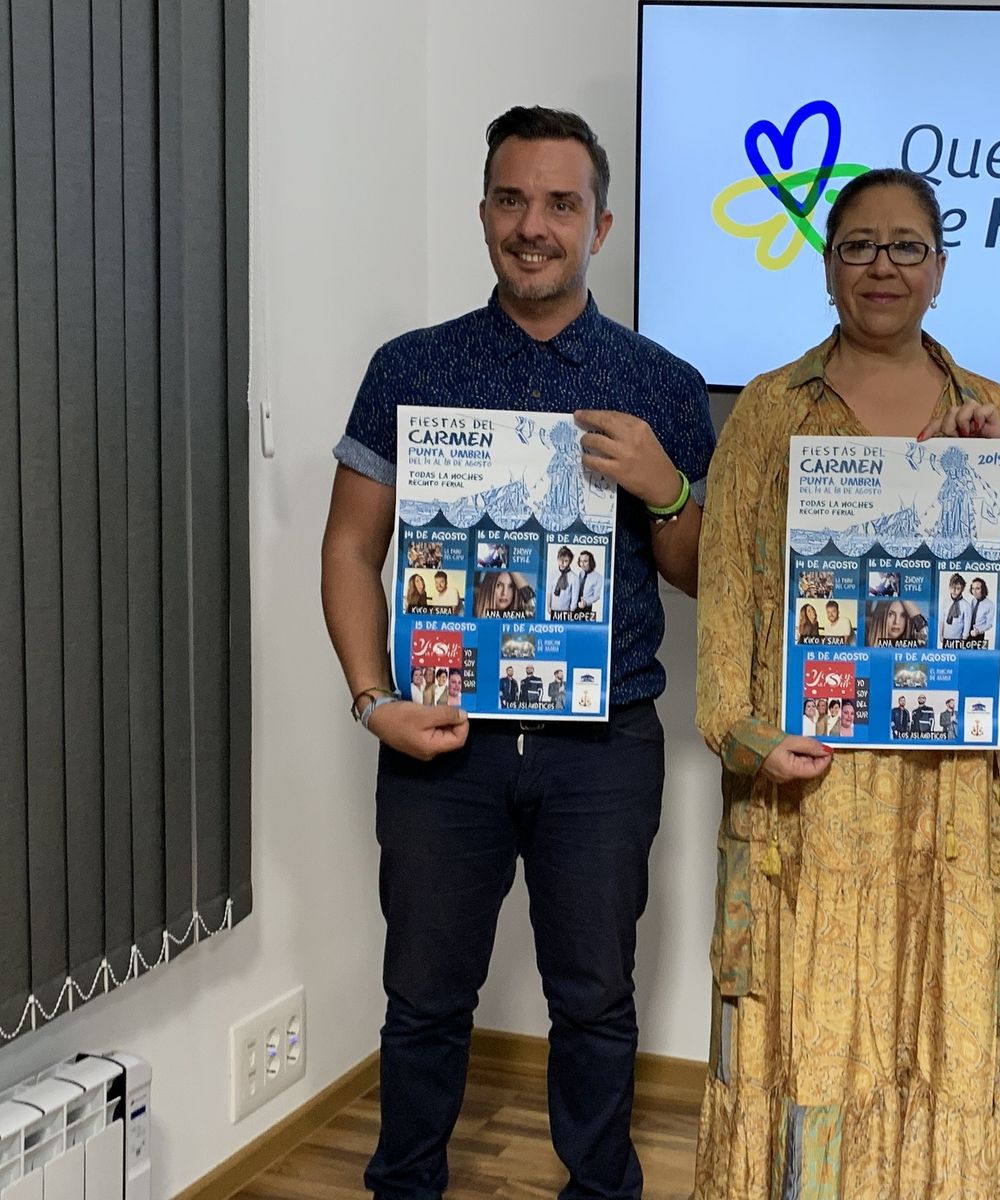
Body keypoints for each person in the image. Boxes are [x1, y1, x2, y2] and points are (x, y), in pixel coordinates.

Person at [319, 105, 716, 1200]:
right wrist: (370, 700)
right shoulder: (411, 366)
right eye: (510, 199)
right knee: (426, 999)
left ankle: (600, 1189)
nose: (531, 225)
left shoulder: (663, 383)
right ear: (485, 210)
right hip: (442, 742)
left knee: (594, 999)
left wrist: (666, 486)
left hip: (602, 747)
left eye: (559, 203)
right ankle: (405, 1186)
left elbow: (694, 569)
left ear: (600, 225)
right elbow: (352, 547)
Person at [693, 167, 1000, 1196]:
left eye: (906, 247)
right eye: (858, 246)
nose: (882, 268)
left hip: (946, 791)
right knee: (808, 1029)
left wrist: (991, 484)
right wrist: (740, 734)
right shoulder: (771, 411)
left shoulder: (985, 408)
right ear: (827, 268)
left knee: (938, 1021)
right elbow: (723, 595)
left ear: (939, 270)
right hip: (808, 789)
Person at [940, 572, 972, 643]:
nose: (954, 591)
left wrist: (964, 638)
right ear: (949, 587)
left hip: (958, 639)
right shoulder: (945, 602)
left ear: (962, 589)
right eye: (952, 587)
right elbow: (942, 620)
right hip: (946, 638)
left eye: (958, 588)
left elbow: (967, 624)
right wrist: (941, 635)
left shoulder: (966, 605)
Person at [548, 546, 577, 614]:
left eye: (566, 561)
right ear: (557, 559)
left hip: (566, 611)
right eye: (561, 559)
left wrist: (571, 611)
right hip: (553, 610)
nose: (562, 563)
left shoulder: (574, 577)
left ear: (570, 561)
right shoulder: (553, 574)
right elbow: (549, 592)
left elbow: (574, 596)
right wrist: (548, 606)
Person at [968, 575, 996, 644]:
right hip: (968, 632)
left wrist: (978, 631)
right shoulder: (973, 600)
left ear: (983, 589)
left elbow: (989, 624)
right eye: (973, 588)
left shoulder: (990, 604)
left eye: (977, 588)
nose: (974, 591)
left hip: (978, 635)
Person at [574, 548, 602, 614]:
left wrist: (586, 603)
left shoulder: (598, 577)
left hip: (586, 608)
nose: (582, 564)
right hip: (576, 605)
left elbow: (596, 596)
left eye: (585, 561)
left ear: (591, 562)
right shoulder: (581, 573)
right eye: (581, 561)